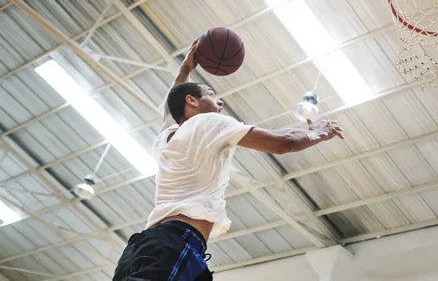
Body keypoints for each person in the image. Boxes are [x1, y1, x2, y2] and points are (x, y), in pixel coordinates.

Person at [112, 41, 344, 280]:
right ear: (192, 101)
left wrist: (185, 69)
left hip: (145, 245)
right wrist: (319, 132)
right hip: (175, 242)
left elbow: (171, 109)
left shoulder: (166, 136)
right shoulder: (207, 123)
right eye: (212, 95)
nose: (219, 103)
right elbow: (284, 143)